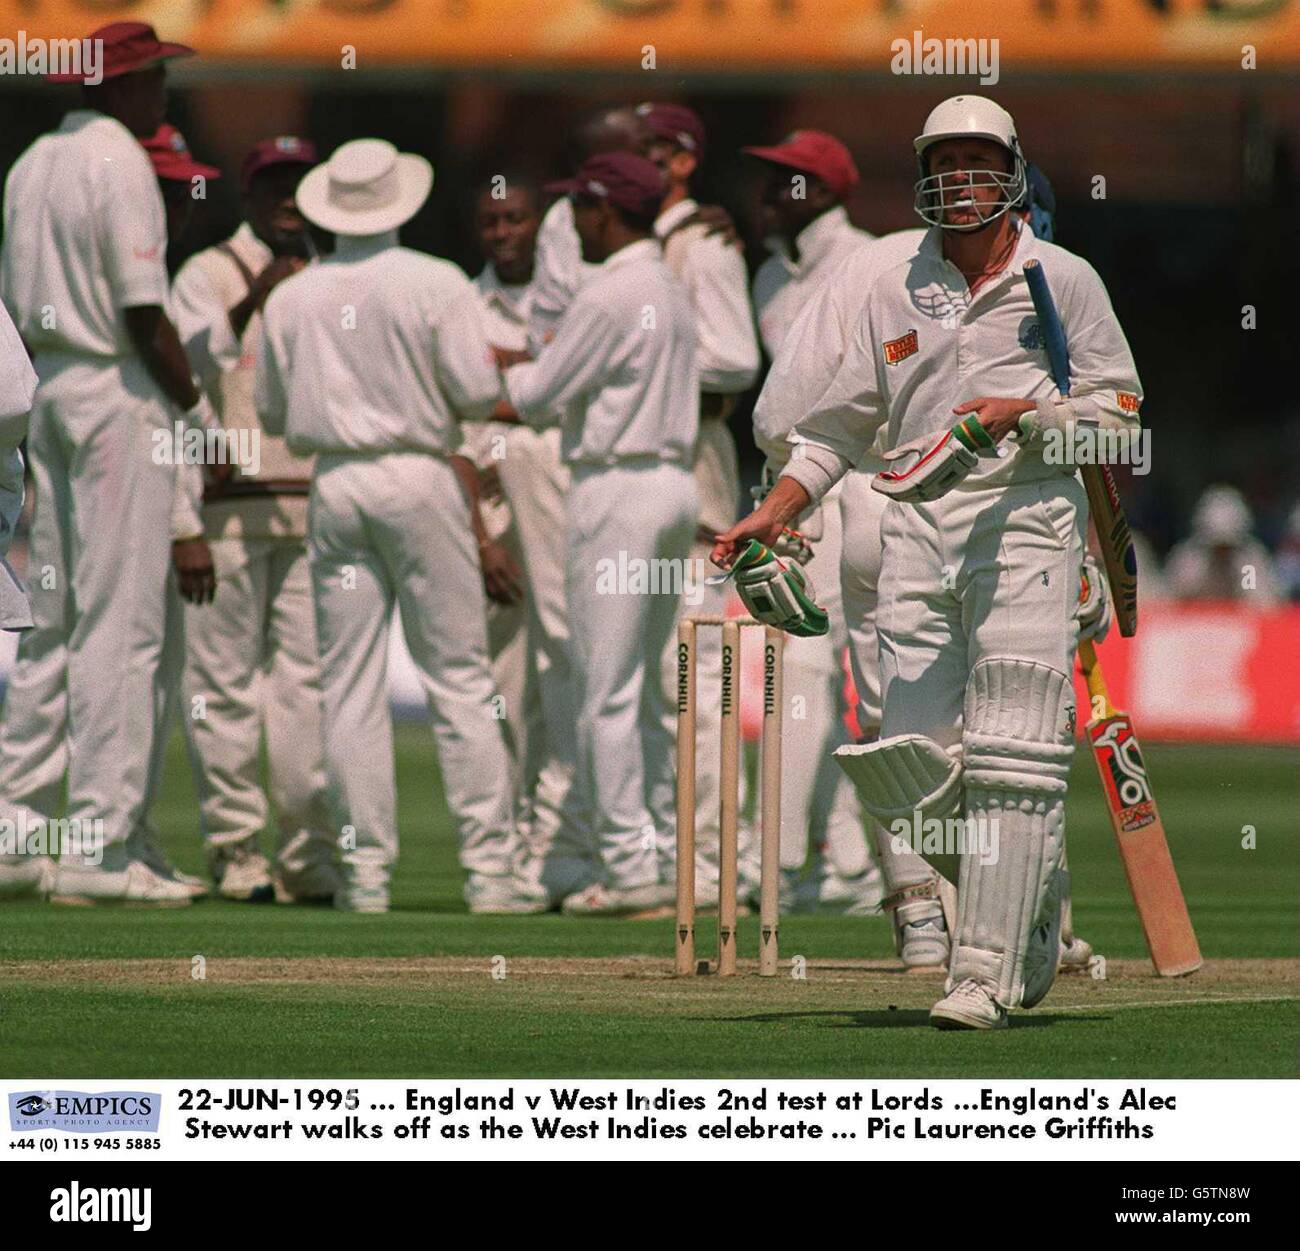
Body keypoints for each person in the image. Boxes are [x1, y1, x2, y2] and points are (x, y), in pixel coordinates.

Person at [718, 95, 1142, 1029]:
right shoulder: (889, 282)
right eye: (943, 163)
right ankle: (1029, 898)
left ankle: (981, 972)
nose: (959, 179)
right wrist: (779, 507)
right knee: (907, 763)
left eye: (977, 163)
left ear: (1012, 174)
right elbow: (837, 426)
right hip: (914, 524)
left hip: (1026, 519)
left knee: (1014, 751)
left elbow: (1124, 424)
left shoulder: (1063, 279)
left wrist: (1023, 416)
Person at [256, 138, 528, 914]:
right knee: (461, 676)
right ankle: (490, 875)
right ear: (399, 202)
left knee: (346, 687)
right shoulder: (437, 282)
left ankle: (365, 877)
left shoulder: (293, 295)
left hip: (335, 484)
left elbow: (274, 412)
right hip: (420, 474)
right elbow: (476, 392)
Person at [0, 22, 218, 905]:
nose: (162, 91)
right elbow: (143, 313)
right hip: (112, 389)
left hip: (38, 385)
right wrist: (196, 408)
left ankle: (15, 831)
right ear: (117, 86)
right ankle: (97, 846)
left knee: (51, 612)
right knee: (123, 623)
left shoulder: (29, 165)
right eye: (153, 77)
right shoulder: (120, 160)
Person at [502, 152, 699, 915]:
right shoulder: (669, 286)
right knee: (643, 686)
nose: (573, 224)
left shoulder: (611, 291)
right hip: (671, 487)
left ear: (605, 211)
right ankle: (652, 851)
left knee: (605, 686)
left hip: (616, 488)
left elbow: (538, 394)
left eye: (580, 210)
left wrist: (505, 366)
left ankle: (627, 865)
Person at [172, 135, 340, 904]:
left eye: (299, 182)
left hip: (312, 510)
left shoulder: (335, 272)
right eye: (273, 180)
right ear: (248, 192)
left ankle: (308, 856)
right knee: (224, 690)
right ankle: (237, 852)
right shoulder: (206, 273)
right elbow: (184, 369)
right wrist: (260, 295)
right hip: (230, 513)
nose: (287, 195)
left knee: (308, 690)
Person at [745, 129, 883, 915]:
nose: (768, 196)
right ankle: (840, 865)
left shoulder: (867, 261)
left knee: (837, 678)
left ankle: (792, 862)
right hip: (795, 489)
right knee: (802, 676)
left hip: (857, 482)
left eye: (784, 183)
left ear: (823, 192)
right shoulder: (769, 273)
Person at [639, 102, 761, 906]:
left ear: (681, 160)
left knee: (696, 675)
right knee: (650, 680)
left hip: (693, 474)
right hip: (632, 478)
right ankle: (674, 852)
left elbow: (736, 360)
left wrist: (637, 368)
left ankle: (726, 863)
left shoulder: (702, 244)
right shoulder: (630, 246)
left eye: (644, 152)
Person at [464, 173, 594, 908]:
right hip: (489, 508)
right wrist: (483, 533)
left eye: (514, 217)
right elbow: (461, 416)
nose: (502, 231)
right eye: (490, 219)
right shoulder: (458, 299)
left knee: (563, 669)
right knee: (503, 692)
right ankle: (508, 849)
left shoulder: (571, 292)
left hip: (557, 494)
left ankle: (554, 843)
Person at [1166, 484, 1281, 604]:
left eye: (1227, 546)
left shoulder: (1250, 560)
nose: (1222, 552)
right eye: (1216, 546)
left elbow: (1265, 606)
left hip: (1239, 622)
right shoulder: (1188, 559)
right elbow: (1166, 605)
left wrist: (1242, 579)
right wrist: (1188, 586)